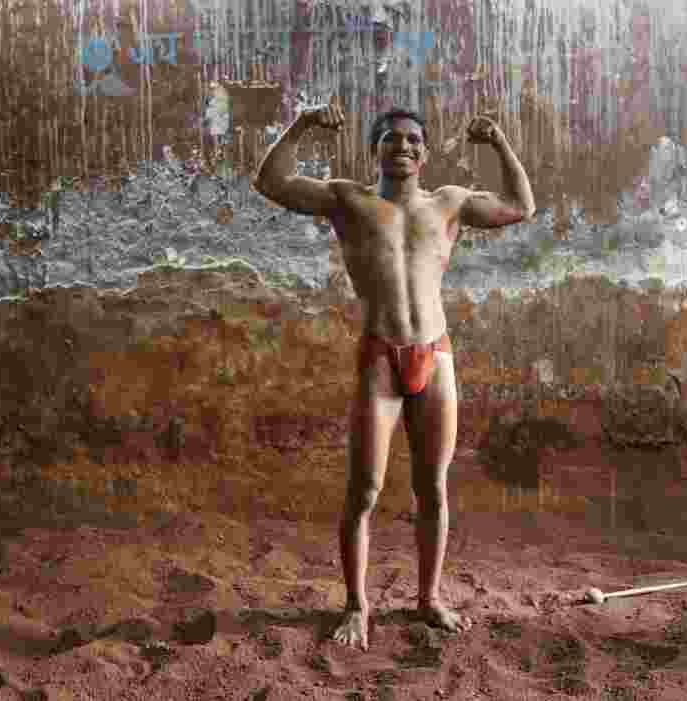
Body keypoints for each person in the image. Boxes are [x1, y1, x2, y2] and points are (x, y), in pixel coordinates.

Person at [253, 96, 536, 651]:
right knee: (365, 489)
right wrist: (303, 122)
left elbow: (521, 206)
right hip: (381, 355)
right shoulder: (348, 200)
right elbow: (271, 180)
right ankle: (358, 604)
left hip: (436, 353)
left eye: (412, 139)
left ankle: (428, 597)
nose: (402, 146)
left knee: (433, 486)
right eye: (390, 138)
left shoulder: (449, 203)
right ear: (375, 149)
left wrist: (499, 142)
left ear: (424, 153)